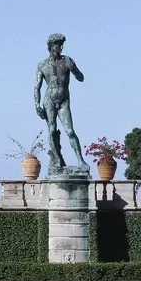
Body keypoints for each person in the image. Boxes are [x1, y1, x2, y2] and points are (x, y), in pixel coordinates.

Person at [34, 33, 88, 175]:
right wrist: (37, 105)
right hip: (49, 100)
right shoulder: (42, 65)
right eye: (59, 44)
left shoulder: (67, 60)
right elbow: (37, 87)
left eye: (62, 44)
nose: (61, 47)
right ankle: (57, 160)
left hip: (64, 100)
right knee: (52, 130)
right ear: (52, 46)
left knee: (70, 131)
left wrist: (75, 70)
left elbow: (80, 77)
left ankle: (80, 160)